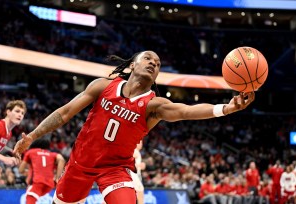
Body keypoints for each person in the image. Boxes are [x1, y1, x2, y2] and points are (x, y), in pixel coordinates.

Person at [13, 51, 255, 204]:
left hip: (115, 169)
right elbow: (64, 113)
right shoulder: (102, 86)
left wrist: (227, 108)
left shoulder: (154, 105)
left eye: (158, 63)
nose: (153, 63)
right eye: (148, 58)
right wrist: (32, 136)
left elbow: (185, 111)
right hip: (80, 164)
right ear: (132, 65)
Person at [19, 138, 65, 204]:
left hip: (37, 182)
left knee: (29, 200)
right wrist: (57, 177)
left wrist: (27, 172)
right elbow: (61, 160)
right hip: (49, 184)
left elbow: (20, 170)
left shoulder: (31, 152)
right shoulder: (52, 154)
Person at [0, 100, 26, 166]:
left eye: (22, 113)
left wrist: (11, 152)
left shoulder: (9, 133)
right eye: (17, 111)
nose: (20, 115)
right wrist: (4, 159)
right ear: (8, 112)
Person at [130, 140, 145, 204]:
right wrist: (138, 165)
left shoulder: (137, 152)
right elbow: (127, 162)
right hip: (132, 175)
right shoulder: (134, 151)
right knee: (140, 191)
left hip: (135, 175)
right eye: (140, 142)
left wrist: (141, 166)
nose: (141, 144)